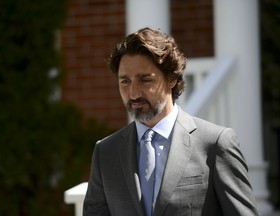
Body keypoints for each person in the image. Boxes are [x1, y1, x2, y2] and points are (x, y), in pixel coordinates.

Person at [83, 27, 259, 216]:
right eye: (125, 81)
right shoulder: (106, 152)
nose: (133, 93)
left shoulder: (215, 144)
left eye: (145, 80)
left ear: (171, 79)